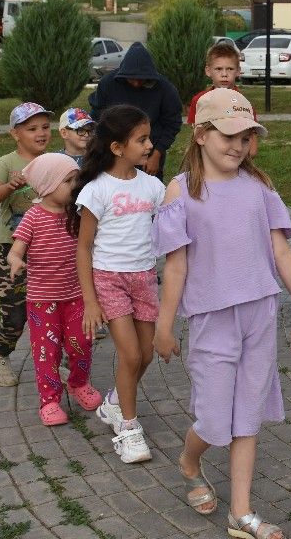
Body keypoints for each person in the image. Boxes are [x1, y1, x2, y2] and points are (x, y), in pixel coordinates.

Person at [154, 88, 291, 539]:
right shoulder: (179, 192)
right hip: (211, 319)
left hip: (260, 312)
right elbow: (176, 264)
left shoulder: (259, 187)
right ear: (201, 134)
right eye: (228, 135)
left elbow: (279, 247)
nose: (238, 146)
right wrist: (165, 326)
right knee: (214, 419)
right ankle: (190, 460)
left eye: (246, 137)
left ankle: (241, 512)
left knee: (247, 414)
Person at [69, 104, 165, 464]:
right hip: (109, 279)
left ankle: (113, 403)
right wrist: (91, 301)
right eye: (141, 140)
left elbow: (175, 218)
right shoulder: (96, 190)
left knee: (147, 354)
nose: (149, 145)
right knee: (130, 354)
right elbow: (83, 247)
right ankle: (128, 428)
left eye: (148, 138)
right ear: (116, 147)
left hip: (144, 277)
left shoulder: (152, 186)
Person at [6, 153, 103, 426]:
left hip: (76, 296)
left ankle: (79, 383)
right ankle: (49, 401)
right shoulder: (33, 218)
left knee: (81, 343)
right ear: (48, 186)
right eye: (68, 180)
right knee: (47, 352)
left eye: (76, 179)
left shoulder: (78, 215)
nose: (75, 185)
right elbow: (16, 250)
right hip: (42, 301)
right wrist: (16, 261)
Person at [0, 102, 54, 387]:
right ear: (15, 134)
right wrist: (9, 186)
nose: (41, 133)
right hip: (12, 250)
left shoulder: (53, 161)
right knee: (14, 312)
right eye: (32, 128)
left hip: (49, 246)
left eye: (45, 127)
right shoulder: (7, 163)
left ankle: (51, 360)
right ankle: (0, 353)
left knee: (51, 307)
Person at [88, 43, 182, 180]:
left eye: (142, 79)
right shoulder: (108, 84)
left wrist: (157, 154)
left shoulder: (165, 88)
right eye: (132, 78)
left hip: (149, 154)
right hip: (112, 152)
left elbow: (172, 123)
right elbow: (97, 117)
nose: (137, 83)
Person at [187, 42, 258, 156]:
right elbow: (194, 137)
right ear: (208, 71)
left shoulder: (244, 103)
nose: (224, 74)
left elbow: (252, 148)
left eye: (230, 69)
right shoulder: (199, 100)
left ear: (238, 71)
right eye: (218, 69)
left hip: (236, 159)